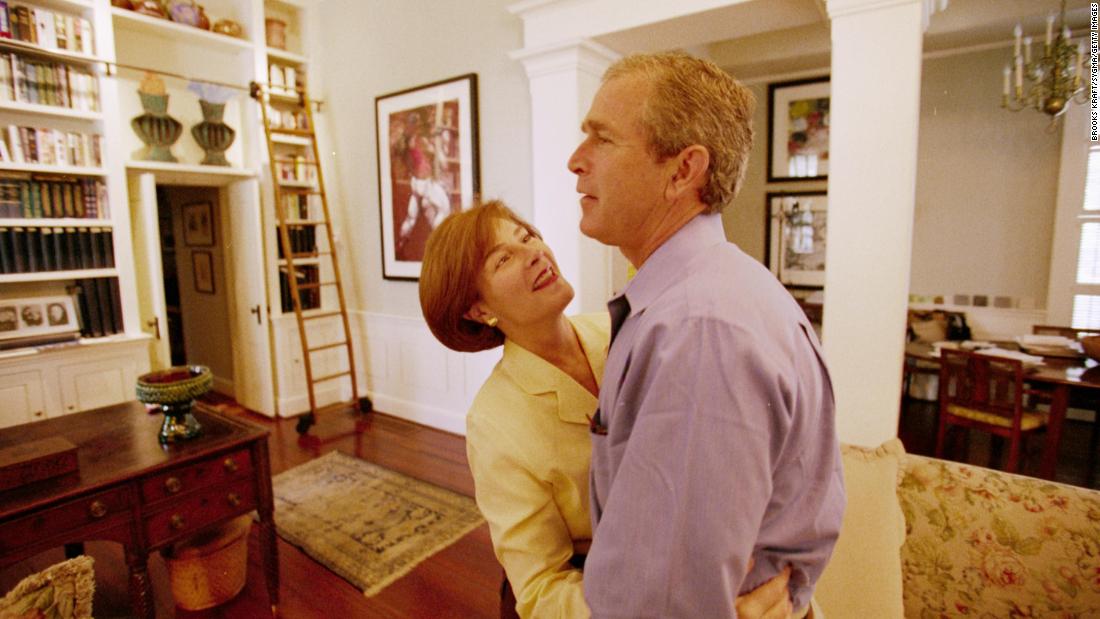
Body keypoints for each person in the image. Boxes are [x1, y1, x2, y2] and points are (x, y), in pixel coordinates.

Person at [567, 52, 845, 618]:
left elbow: (662, 598)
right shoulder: (701, 298)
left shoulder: (700, 333)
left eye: (602, 139)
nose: (576, 161)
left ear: (681, 170)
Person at [419, 200, 794, 619]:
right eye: (504, 258)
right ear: (480, 310)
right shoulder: (494, 421)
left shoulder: (629, 330)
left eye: (526, 237)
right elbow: (541, 588)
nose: (534, 253)